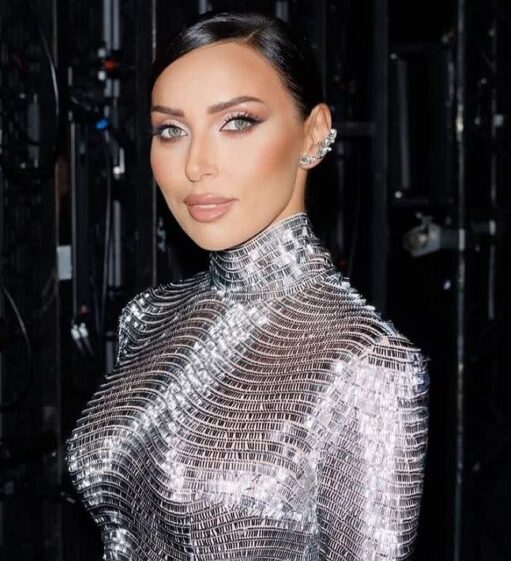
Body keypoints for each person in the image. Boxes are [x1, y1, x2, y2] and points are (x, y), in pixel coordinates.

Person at [65, 10, 430, 561]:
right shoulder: (148, 316)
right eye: (171, 130)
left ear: (313, 133)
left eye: (236, 122)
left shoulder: (365, 362)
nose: (196, 165)